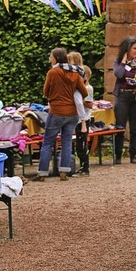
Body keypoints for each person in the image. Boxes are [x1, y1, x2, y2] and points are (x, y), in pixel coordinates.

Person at [34, 48, 88, 182]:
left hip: (56, 111)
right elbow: (84, 92)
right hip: (72, 113)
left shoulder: (52, 72)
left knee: (48, 142)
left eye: (51, 57)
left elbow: (45, 91)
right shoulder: (75, 73)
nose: (49, 59)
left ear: (56, 58)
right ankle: (64, 172)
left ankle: (42, 173)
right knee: (67, 142)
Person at [113, 36, 136, 164]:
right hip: (122, 96)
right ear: (127, 49)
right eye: (134, 48)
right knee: (120, 127)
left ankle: (133, 154)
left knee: (135, 127)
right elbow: (119, 74)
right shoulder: (119, 62)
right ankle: (118, 155)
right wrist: (123, 61)